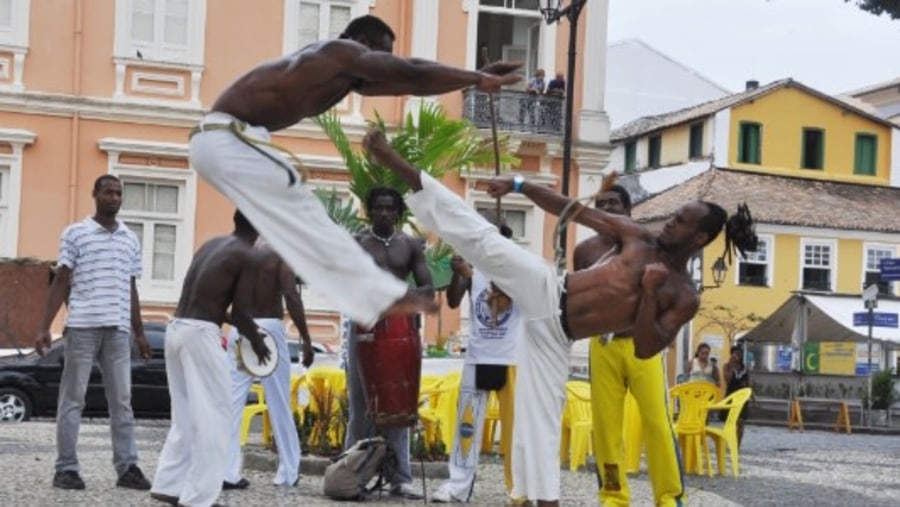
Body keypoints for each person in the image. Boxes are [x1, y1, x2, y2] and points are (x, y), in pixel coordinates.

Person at [361, 128, 758, 506]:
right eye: (675, 214)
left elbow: (644, 347)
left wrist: (650, 295)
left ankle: (546, 501)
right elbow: (574, 210)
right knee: (483, 238)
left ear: (699, 238)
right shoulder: (638, 237)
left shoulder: (684, 295)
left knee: (543, 416)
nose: (671, 220)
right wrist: (519, 186)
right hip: (550, 289)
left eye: (681, 220)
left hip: (558, 336)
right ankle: (396, 163)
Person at [188, 14, 520, 329]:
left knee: (291, 217)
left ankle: (358, 290)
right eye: (382, 54)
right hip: (227, 137)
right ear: (362, 42)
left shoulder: (343, 77)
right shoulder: (341, 51)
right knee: (294, 190)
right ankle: (376, 295)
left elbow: (412, 83)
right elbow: (410, 70)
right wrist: (478, 78)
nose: (385, 63)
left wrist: (474, 77)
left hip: (219, 143)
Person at [35, 174, 152, 492]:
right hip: (83, 327)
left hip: (118, 330)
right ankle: (66, 469)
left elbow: (131, 287)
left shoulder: (130, 238)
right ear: (95, 195)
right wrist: (45, 326)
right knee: (73, 399)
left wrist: (139, 334)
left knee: (122, 402)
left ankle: (127, 467)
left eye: (119, 193)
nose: (114, 198)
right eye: (108, 192)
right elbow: (61, 280)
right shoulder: (76, 233)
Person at [573, 184, 685, 507]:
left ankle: (669, 496)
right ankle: (613, 495)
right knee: (606, 427)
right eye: (601, 204)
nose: (607, 209)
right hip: (603, 346)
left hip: (642, 346)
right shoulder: (585, 252)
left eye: (614, 204)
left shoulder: (648, 247)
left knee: (657, 423)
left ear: (628, 210)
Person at [150, 211, 271, 507]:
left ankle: (169, 484)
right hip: (201, 335)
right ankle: (199, 498)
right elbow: (242, 313)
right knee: (216, 417)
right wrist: (257, 340)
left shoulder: (212, 244)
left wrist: (246, 329)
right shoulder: (249, 256)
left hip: (177, 329)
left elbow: (210, 302)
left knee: (186, 415)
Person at [343, 187, 434, 500]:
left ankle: (401, 479)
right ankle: (352, 476)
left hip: (398, 333)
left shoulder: (409, 245)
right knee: (360, 406)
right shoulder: (357, 244)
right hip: (363, 329)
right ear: (369, 211)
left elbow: (427, 289)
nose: (384, 213)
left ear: (398, 213)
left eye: (390, 208)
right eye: (378, 207)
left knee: (398, 405)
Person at [431, 215, 522, 504]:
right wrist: (459, 272)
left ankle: (518, 488)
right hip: (478, 355)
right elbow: (455, 301)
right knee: (467, 424)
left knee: (515, 429)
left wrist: (472, 274)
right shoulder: (472, 262)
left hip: (513, 358)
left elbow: (512, 291)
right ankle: (458, 485)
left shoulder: (515, 263)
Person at [224, 240, 315, 489]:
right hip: (270, 329)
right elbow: (291, 295)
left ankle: (226, 471)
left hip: (241, 327)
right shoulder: (279, 251)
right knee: (279, 402)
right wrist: (306, 338)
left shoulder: (235, 251)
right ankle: (288, 471)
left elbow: (218, 300)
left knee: (232, 401)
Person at [722, 343, 750, 446]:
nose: (738, 356)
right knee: (730, 422)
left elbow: (748, 382)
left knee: (741, 422)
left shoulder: (744, 368)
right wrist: (732, 365)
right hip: (731, 395)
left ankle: (737, 445)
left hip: (742, 397)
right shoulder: (727, 366)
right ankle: (729, 441)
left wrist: (752, 397)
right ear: (732, 354)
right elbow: (727, 380)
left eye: (740, 353)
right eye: (736, 353)